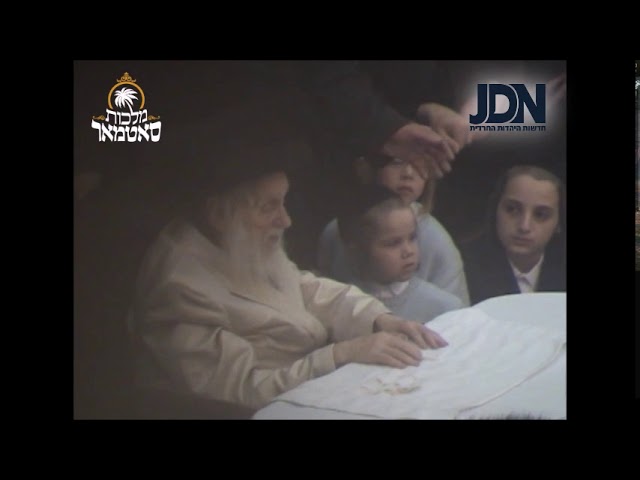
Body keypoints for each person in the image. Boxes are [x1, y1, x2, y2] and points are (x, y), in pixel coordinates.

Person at [130, 125, 448, 411]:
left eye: (283, 203)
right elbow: (242, 392)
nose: (286, 220)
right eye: (269, 207)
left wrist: (378, 320)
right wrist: (340, 355)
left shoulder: (235, 239)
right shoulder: (180, 288)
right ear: (218, 213)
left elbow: (303, 288)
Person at [318, 153, 470, 306]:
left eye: (420, 163)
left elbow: (458, 315)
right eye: (396, 162)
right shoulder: (334, 232)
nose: (408, 173)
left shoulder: (437, 242)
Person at [336, 183, 463, 324]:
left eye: (412, 238)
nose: (409, 251)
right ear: (356, 249)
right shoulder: (339, 307)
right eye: (393, 243)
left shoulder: (445, 309)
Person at [461, 165, 566, 305]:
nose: (524, 226)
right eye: (512, 209)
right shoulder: (461, 265)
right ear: (495, 210)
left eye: (540, 215)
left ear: (558, 223)